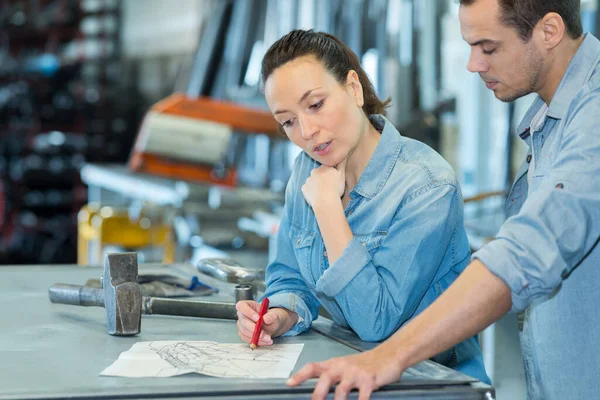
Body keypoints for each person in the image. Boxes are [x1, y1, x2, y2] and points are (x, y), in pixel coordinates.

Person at [287, 0, 600, 399]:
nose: (473, 65)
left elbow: (528, 251)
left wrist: (390, 355)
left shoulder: (593, 114)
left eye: (488, 48)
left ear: (550, 31)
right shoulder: (552, 119)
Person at [234, 29, 490, 383]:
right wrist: (280, 314)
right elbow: (289, 276)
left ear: (354, 88)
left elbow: (376, 320)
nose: (306, 131)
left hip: (433, 384)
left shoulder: (426, 186)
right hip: (355, 371)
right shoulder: (307, 169)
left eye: (316, 105)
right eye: (288, 121)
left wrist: (328, 210)